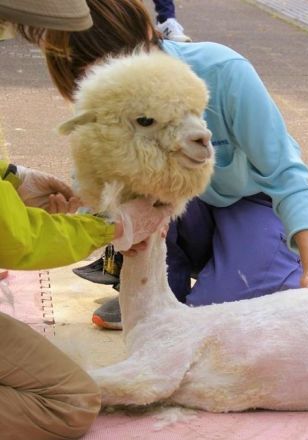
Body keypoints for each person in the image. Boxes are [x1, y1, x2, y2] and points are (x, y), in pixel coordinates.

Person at [36, 0, 308, 330]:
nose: (107, 84)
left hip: (257, 205)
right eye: (87, 80)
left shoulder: (222, 70)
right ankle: (161, 292)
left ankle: (254, 271)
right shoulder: (105, 96)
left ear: (148, 34)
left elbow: (285, 172)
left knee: (212, 321)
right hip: (185, 211)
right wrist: (80, 209)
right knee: (166, 311)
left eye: (114, 66)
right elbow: (99, 179)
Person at [0, 1, 173, 437]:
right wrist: (112, 226)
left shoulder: (220, 72)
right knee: (69, 401)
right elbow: (17, 241)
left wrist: (11, 179)